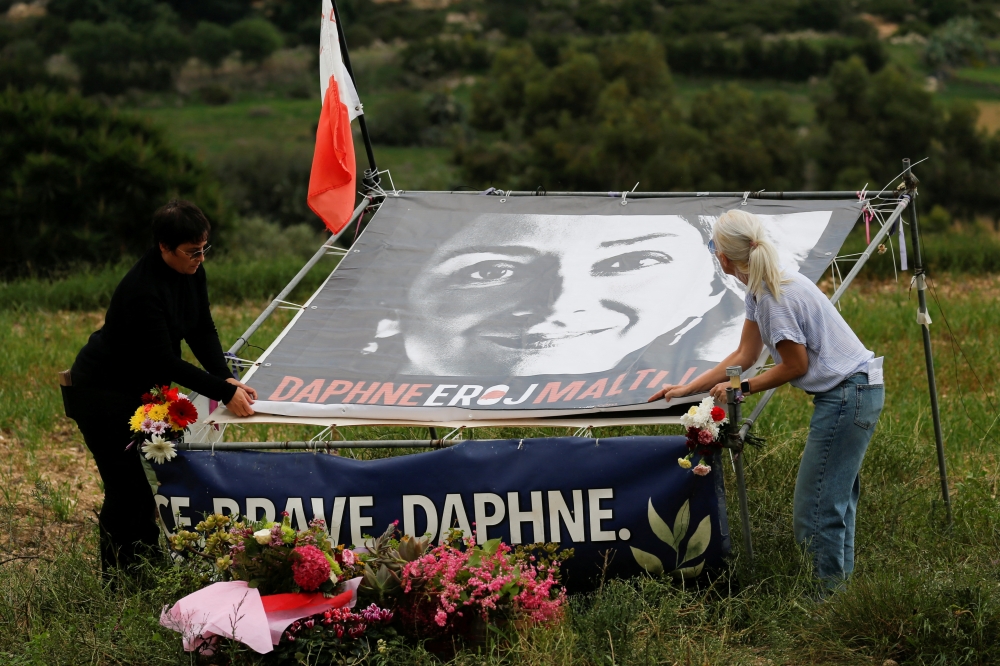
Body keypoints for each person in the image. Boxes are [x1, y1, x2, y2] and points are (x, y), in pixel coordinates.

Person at [650, 208, 884, 589]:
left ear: (724, 257)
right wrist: (685, 388)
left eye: (713, 247)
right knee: (834, 503)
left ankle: (824, 604)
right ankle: (839, 597)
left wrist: (739, 388)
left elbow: (794, 364)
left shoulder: (776, 296)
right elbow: (745, 355)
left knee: (816, 508)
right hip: (855, 393)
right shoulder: (761, 288)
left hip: (848, 395)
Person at [63, 200, 256, 573]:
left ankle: (149, 563)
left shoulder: (192, 272)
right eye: (191, 251)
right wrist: (221, 390)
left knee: (155, 483)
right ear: (164, 247)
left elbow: (201, 327)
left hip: (142, 390)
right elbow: (164, 362)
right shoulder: (141, 290)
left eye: (204, 249)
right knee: (127, 489)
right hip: (101, 391)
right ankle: (120, 575)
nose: (200, 258)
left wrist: (225, 375)